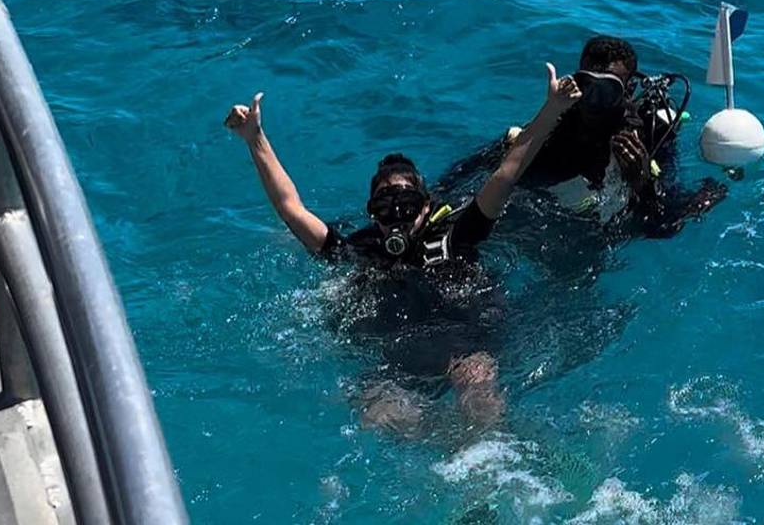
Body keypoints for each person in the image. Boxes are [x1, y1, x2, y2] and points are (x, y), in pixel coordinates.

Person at [224, 63, 581, 433]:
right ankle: (445, 442)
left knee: (479, 398)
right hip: (400, 358)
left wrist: (552, 109)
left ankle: (489, 462)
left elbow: (507, 173)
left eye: (407, 206)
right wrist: (255, 139)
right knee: (376, 414)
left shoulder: (457, 234)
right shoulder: (358, 250)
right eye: (383, 208)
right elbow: (291, 208)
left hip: (465, 347)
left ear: (426, 206)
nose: (396, 217)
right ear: (371, 213)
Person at [438, 36, 726, 239]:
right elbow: (472, 179)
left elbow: (661, 227)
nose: (594, 99)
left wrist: (642, 183)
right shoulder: (553, 130)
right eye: (587, 84)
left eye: (608, 89)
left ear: (627, 92)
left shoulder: (646, 135)